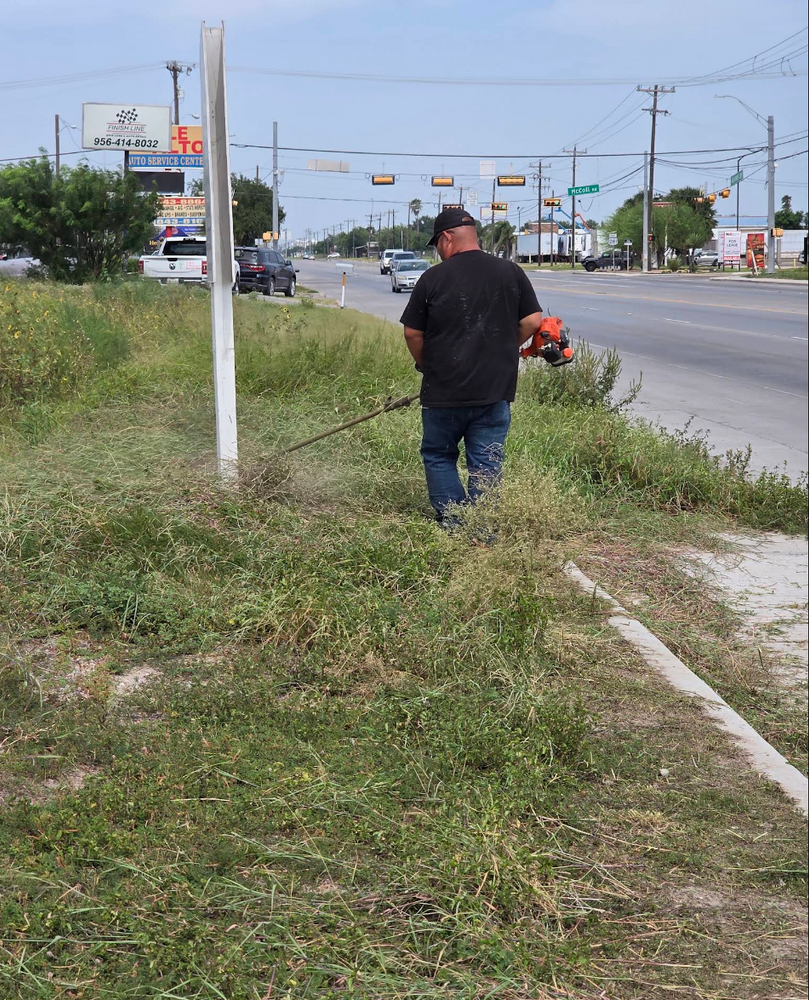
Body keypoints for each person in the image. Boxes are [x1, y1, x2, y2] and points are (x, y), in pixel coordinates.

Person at [399, 207, 543, 524]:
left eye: (437, 243)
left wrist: (427, 365)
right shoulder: (511, 272)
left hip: (443, 394)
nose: (437, 251)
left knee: (439, 455)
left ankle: (454, 524)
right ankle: (481, 529)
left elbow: (412, 332)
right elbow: (533, 321)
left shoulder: (432, 278)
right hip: (493, 392)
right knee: (487, 462)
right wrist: (502, 347)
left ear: (447, 238)